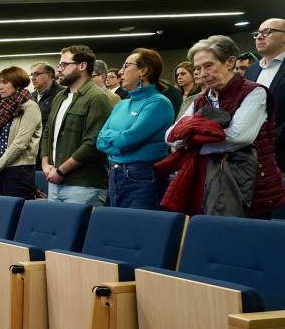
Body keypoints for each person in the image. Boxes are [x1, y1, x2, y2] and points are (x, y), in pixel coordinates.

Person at [162, 35, 285, 217]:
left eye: (208, 65)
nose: (202, 73)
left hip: (253, 185)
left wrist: (193, 140)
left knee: (247, 240)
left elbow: (239, 137)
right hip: (209, 183)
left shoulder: (255, 92)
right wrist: (201, 135)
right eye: (197, 68)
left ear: (229, 62)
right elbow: (170, 136)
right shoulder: (200, 99)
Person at [96, 49, 175, 209]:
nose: (120, 71)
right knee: (117, 229)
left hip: (142, 177)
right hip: (115, 175)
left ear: (144, 70)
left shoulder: (158, 102)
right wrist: (120, 141)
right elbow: (99, 141)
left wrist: (116, 141)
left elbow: (128, 140)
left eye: (126, 66)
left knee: (138, 230)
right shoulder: (123, 104)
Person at [40, 45, 113, 206]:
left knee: (81, 231)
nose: (59, 69)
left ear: (82, 66)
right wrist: (45, 164)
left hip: (83, 184)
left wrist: (61, 170)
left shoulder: (97, 98)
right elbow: (47, 133)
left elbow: (93, 143)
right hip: (54, 181)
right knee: (56, 230)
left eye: (64, 65)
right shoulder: (60, 97)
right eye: (59, 65)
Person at [0, 67, 41, 198]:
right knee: (0, 213)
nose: (0, 87)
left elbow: (20, 144)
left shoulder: (29, 106)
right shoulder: (3, 108)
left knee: (16, 215)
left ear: (17, 84)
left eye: (5, 82)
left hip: (18, 170)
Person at [245, 18, 285, 174]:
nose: (260, 37)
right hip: (252, 157)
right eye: (258, 33)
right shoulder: (251, 71)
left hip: (281, 156)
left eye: (267, 32)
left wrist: (270, 141)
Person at [30, 62, 63, 127]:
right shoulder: (30, 96)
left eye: (37, 74)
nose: (32, 78)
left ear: (49, 75)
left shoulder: (62, 94)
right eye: (32, 74)